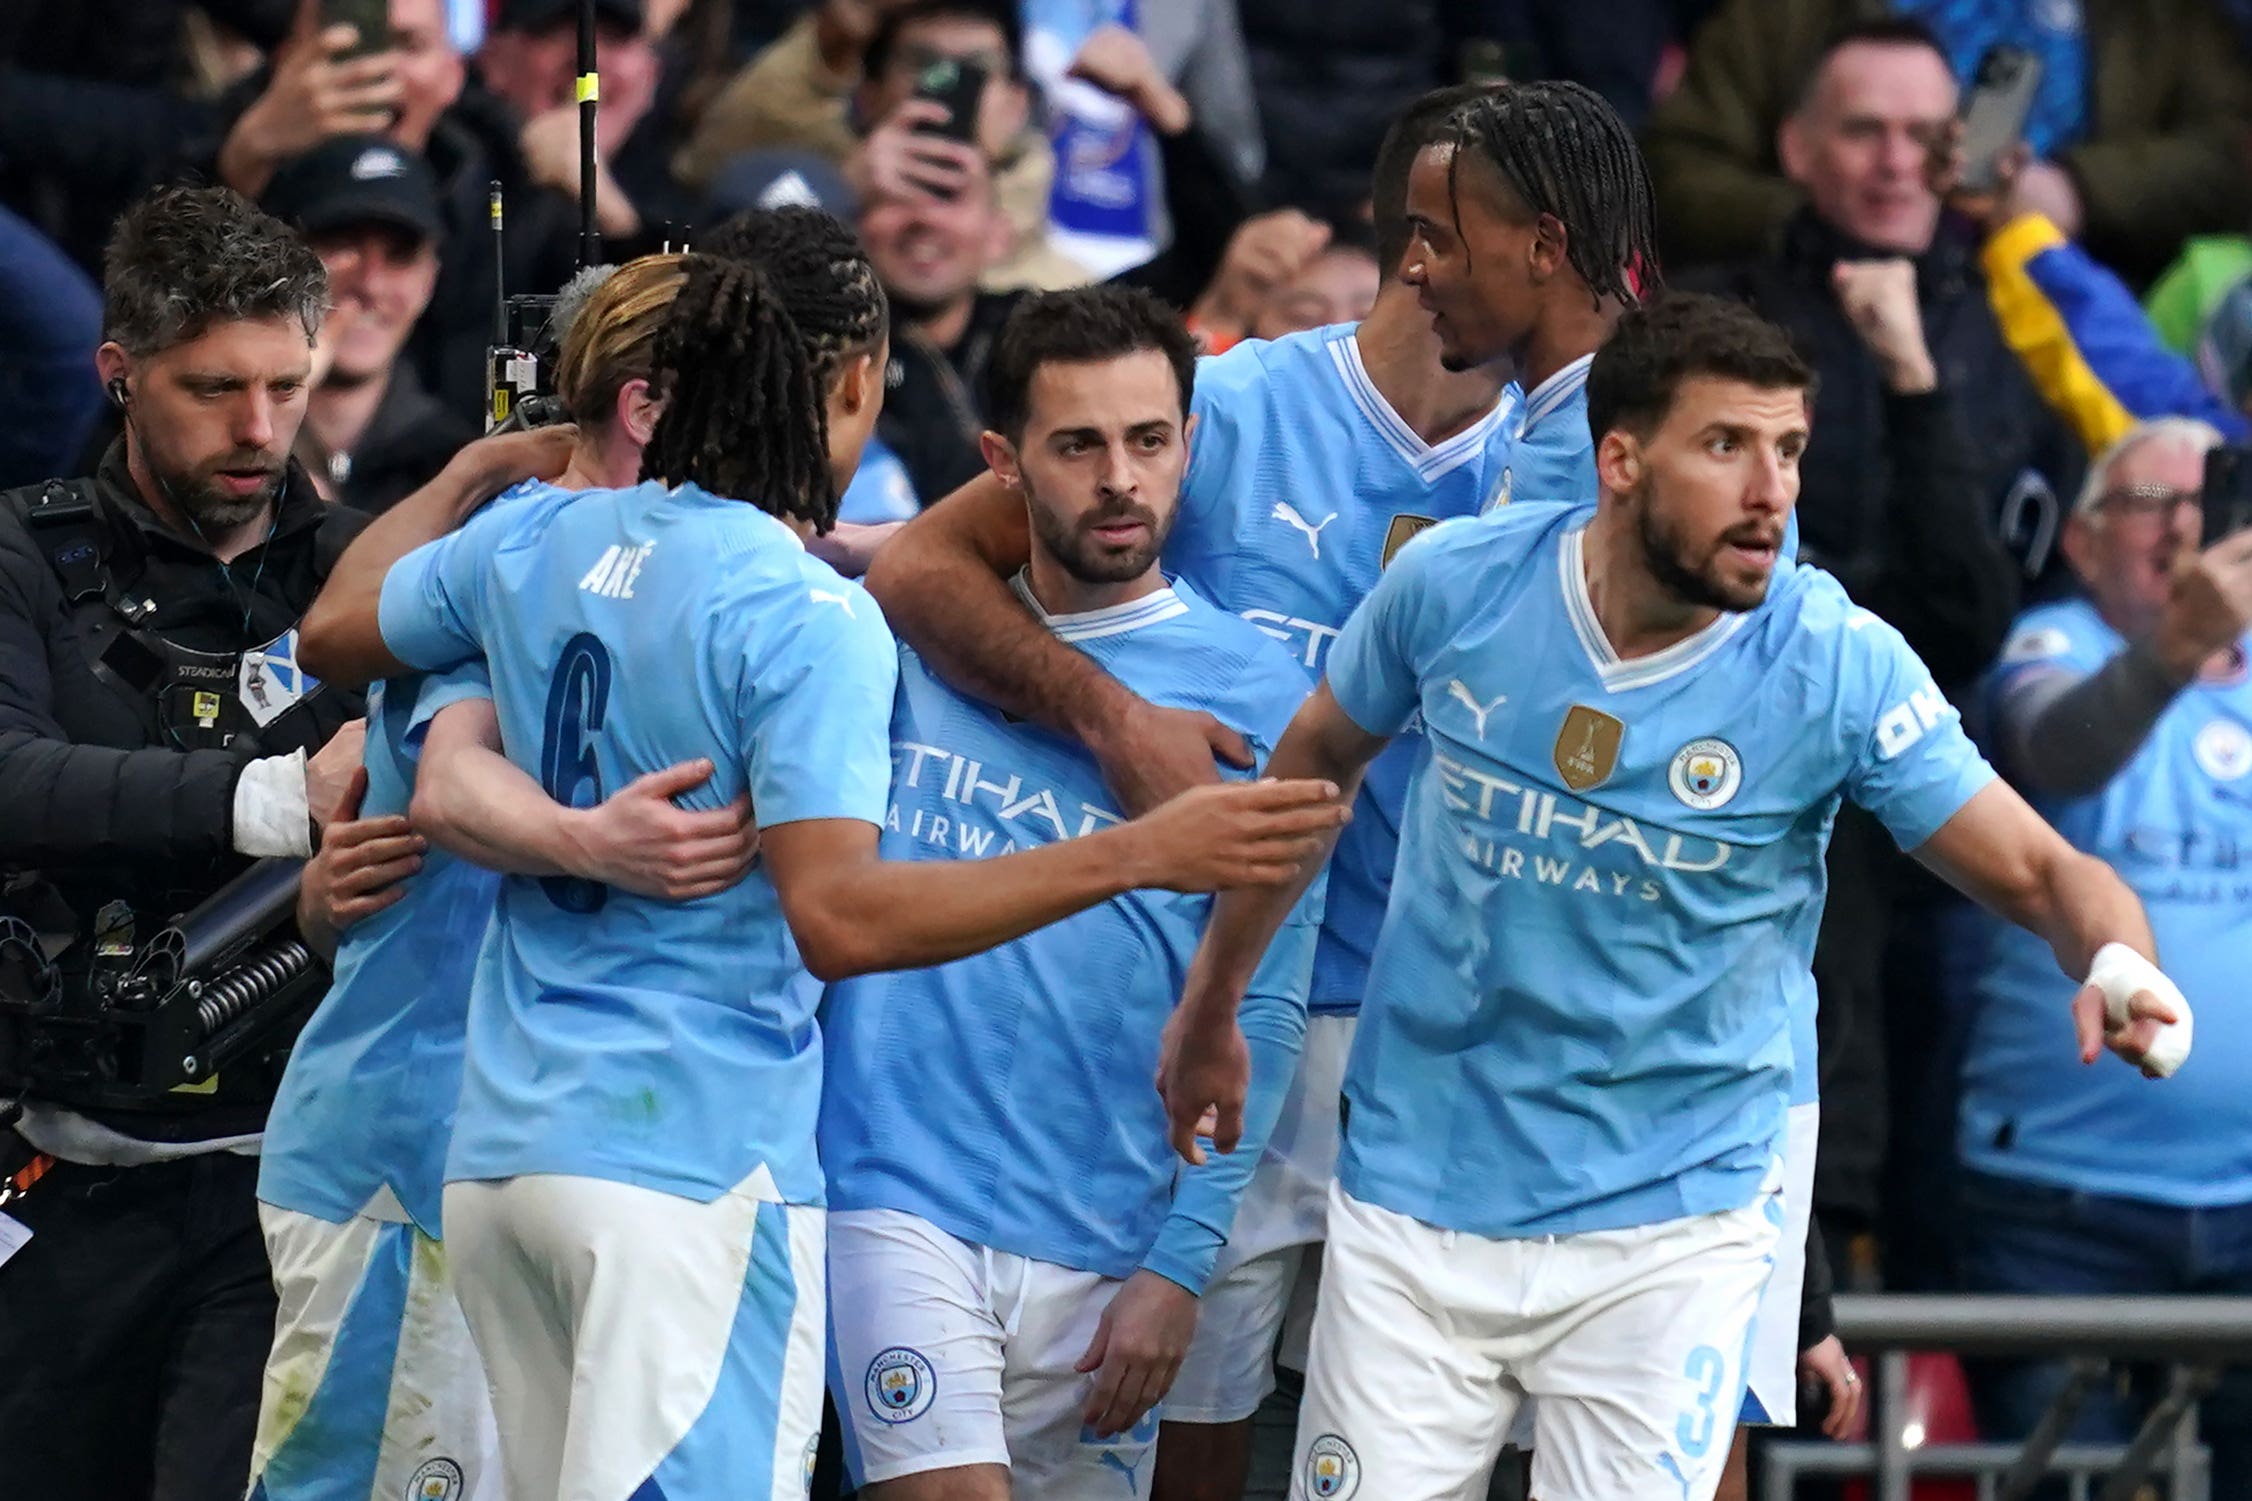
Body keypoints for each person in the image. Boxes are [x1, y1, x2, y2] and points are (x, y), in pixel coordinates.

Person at [295, 248, 1346, 1501]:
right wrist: (1139, 849)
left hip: (502, 1157)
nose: (1117, 476)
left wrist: (472, 475)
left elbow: (335, 637)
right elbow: (839, 915)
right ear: (852, 387)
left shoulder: (540, 540)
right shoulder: (814, 616)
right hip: (692, 1165)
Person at [1156, 291, 2190, 1501]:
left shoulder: (1829, 662)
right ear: (1619, 460)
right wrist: (1215, 1000)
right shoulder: (1456, 589)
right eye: (1726, 447)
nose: (1770, 491)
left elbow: (2041, 869)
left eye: (1789, 451)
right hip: (1414, 1202)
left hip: (1668, 1228)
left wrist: (2117, 963)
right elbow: (1314, 763)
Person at [860, 80, 1639, 1501]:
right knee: (1189, 1437)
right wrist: (1111, 719)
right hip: (1226, 1017)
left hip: (1473, 1037)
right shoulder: (1218, 406)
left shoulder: (1591, 463)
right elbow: (919, 567)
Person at [245, 253, 734, 1501]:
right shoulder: (525, 551)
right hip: (403, 1154)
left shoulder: (649, 556)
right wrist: (472, 474)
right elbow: (330, 643)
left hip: (530, 1154)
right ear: (645, 404)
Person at [822, 284, 1323, 1499]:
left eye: (1148, 441)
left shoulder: (1262, 700)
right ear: (1002, 461)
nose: (1119, 478)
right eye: (1078, 444)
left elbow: (1262, 1006)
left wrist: (1178, 1271)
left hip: (1106, 1224)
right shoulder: (894, 643)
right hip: (890, 1189)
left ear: (1188, 446)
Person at [0, 183, 370, 1500]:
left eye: (287, 385)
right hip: (60, 1153)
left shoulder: (372, 578)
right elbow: (11, 774)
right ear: (119, 374)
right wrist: (267, 803)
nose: (260, 430)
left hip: (292, 1183)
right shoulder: (23, 553)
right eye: (215, 388)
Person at [1955, 417, 2252, 1496]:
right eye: (2147, 502)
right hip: (2057, 1208)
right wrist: (2177, 646)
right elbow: (2052, 746)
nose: (2183, 524)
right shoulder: (2050, 648)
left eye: (2206, 498)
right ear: (2078, 542)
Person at [1640, 0, 2252, 287]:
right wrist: (1832, 222)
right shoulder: (1785, 17)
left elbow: (2232, 155)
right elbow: (1673, 174)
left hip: (2092, 310)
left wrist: (2076, 191)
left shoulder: (2167, 19)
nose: (1904, 156)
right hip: (1812, 314)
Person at [260, 135, 476, 513]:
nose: (370, 285)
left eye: (400, 256)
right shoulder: (209, 444)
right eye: (342, 245)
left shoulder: (460, 466)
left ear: (430, 280)